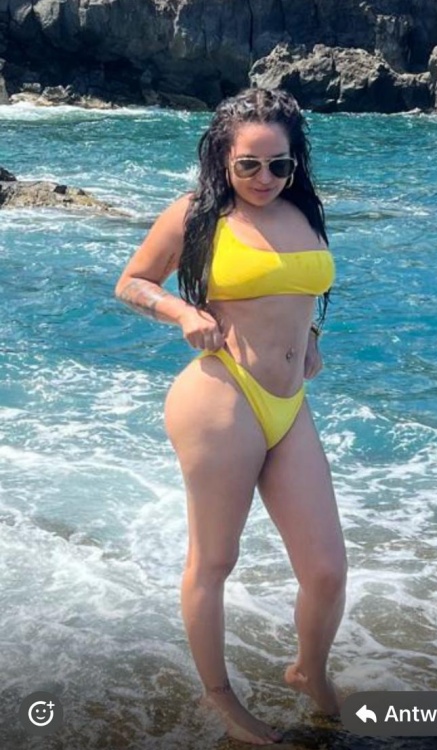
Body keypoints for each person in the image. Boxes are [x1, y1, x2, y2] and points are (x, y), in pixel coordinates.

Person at [115, 87, 347, 745]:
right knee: (215, 559)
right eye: (249, 165)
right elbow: (132, 281)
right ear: (222, 158)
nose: (265, 178)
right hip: (222, 399)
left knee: (326, 569)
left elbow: (296, 290)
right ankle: (219, 696)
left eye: (279, 165)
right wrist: (184, 313)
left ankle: (308, 668)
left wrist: (311, 338)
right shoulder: (196, 213)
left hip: (289, 404)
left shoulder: (303, 209)